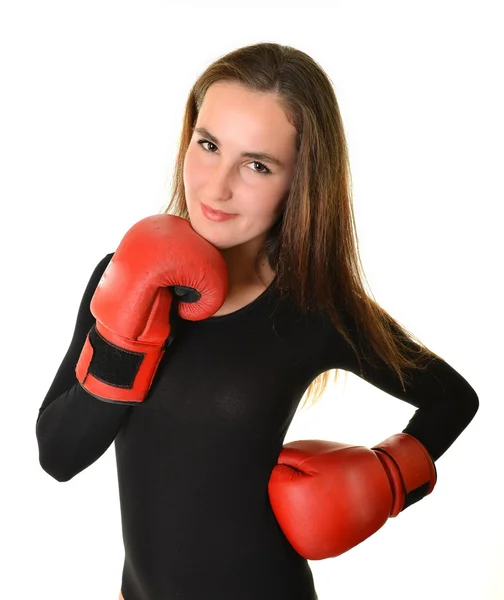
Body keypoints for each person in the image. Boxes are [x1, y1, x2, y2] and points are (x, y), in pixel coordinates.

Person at [35, 43, 479, 600]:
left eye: (257, 165)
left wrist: (387, 479)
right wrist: (126, 340)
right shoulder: (126, 275)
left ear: (300, 180)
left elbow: (453, 399)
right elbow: (59, 454)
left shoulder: (315, 309)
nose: (217, 187)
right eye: (209, 145)